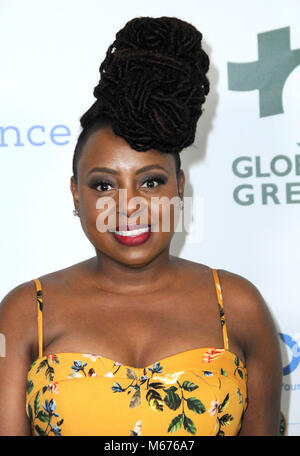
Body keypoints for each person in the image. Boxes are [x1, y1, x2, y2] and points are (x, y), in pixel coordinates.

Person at [0, 16, 282, 436]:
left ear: (179, 188)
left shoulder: (238, 307)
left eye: (150, 182)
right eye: (104, 185)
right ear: (77, 196)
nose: (128, 207)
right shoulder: (26, 312)